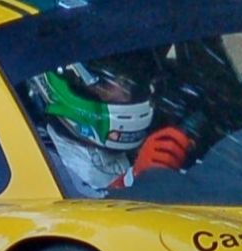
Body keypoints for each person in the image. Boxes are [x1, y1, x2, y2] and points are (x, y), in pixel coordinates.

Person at [27, 52, 194, 197]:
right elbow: (76, 218)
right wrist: (133, 180)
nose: (125, 95)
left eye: (127, 82)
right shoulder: (39, 158)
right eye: (105, 83)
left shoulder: (151, 134)